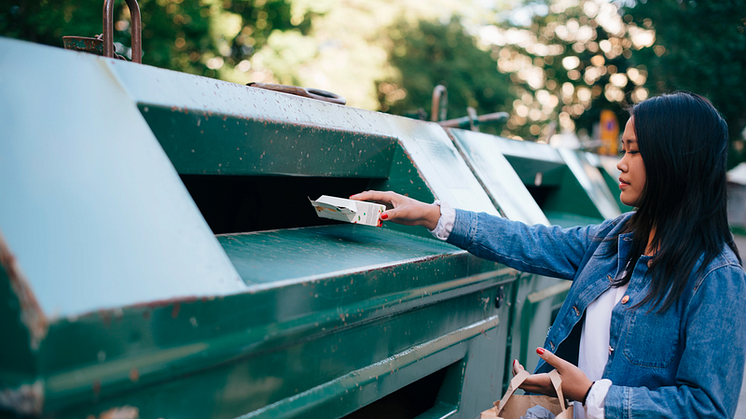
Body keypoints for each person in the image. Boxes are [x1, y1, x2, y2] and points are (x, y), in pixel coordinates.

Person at [351, 91, 746, 419]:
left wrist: (594, 394)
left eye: (635, 152)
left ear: (675, 162)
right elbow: (531, 241)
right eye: (623, 149)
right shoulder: (618, 238)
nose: (621, 165)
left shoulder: (716, 276)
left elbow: (707, 408)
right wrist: (432, 215)